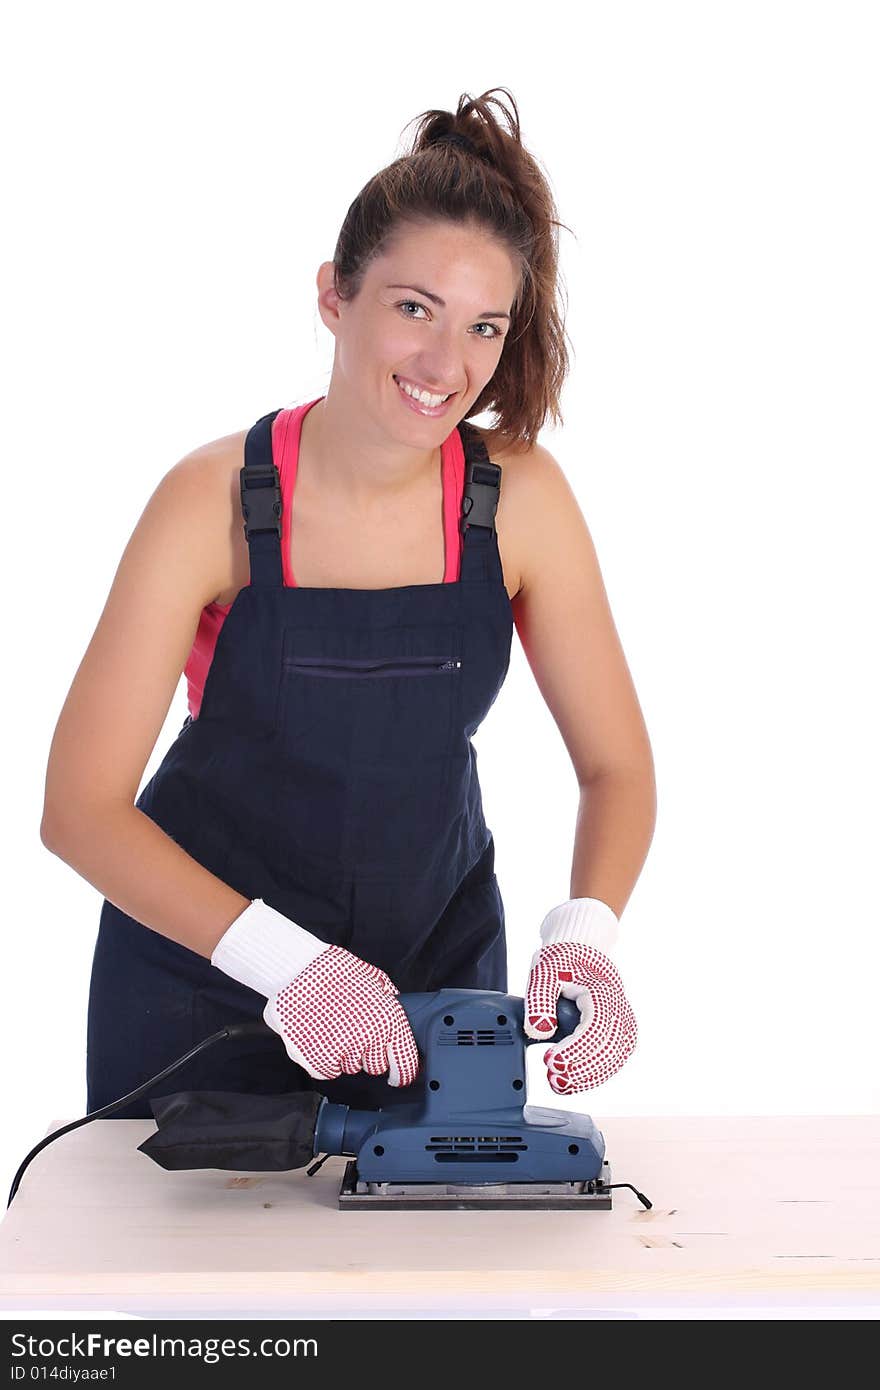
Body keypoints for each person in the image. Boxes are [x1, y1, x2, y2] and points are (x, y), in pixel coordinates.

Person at [40, 88, 656, 1120]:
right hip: (205, 988)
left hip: (438, 982)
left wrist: (586, 935)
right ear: (335, 295)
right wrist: (286, 964)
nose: (444, 365)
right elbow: (80, 808)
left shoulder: (522, 502)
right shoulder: (211, 503)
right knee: (215, 1278)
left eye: (482, 327)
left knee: (433, 1280)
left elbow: (616, 767)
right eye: (411, 308)